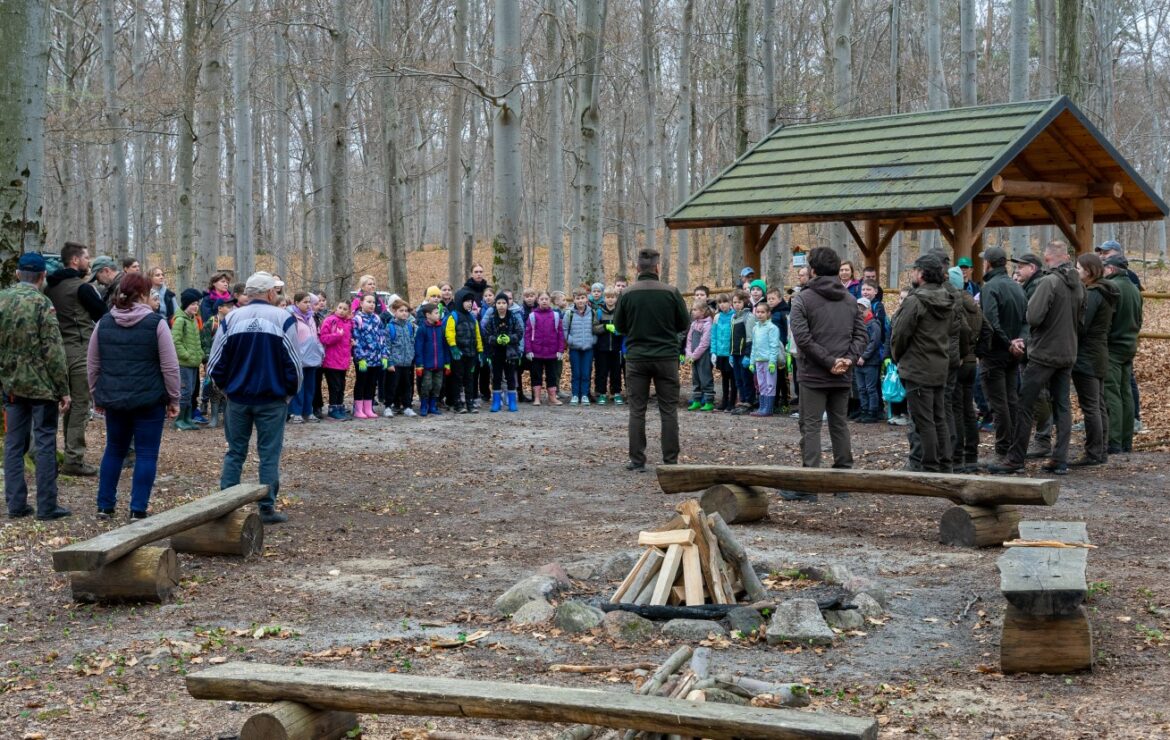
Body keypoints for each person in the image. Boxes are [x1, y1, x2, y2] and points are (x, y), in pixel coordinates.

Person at [207, 271, 301, 524]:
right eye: (275, 290)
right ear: (269, 293)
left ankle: (225, 506)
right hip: (272, 399)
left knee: (235, 452)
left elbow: (215, 362)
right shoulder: (283, 318)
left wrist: (227, 389)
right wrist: (288, 393)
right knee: (269, 454)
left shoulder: (231, 318)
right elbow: (294, 364)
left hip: (238, 398)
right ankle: (266, 508)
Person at [88, 272, 181, 520]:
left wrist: (97, 396)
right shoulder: (156, 324)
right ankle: (137, 509)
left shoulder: (104, 323)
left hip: (115, 400)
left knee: (114, 449)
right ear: (141, 295)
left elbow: (93, 365)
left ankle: (105, 506)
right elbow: (170, 367)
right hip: (149, 400)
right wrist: (174, 398)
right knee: (147, 453)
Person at [990, 242, 1084, 475]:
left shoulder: (1049, 282)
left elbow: (1033, 317)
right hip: (1068, 352)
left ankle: (1015, 458)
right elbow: (1081, 319)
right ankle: (1059, 459)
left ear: (1048, 258)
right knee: (1062, 405)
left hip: (1044, 354)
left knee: (1025, 404)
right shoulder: (1079, 285)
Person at [1, 253, 72, 520]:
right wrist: (63, 389)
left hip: (11, 386)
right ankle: (47, 506)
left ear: (18, 274)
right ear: (43, 276)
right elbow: (53, 350)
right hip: (42, 388)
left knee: (13, 444)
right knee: (44, 443)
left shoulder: (2, 300)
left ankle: (16, 504)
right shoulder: (43, 304)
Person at [789, 247, 866, 470]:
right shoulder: (850, 300)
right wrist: (847, 360)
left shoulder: (802, 300)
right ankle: (844, 472)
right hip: (841, 373)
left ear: (813, 270)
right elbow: (862, 335)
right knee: (839, 424)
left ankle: (811, 479)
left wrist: (836, 361)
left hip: (814, 375)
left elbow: (802, 339)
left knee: (811, 426)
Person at [613, 248, 690, 471]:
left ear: (638, 268)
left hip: (637, 358)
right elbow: (683, 323)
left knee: (637, 410)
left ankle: (637, 461)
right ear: (657, 267)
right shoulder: (671, 292)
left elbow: (619, 326)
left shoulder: (627, 294)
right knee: (669, 410)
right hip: (666, 357)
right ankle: (670, 462)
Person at [890, 255, 957, 472]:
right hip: (939, 366)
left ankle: (931, 468)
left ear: (921, 274)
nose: (912, 273)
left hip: (918, 368)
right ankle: (945, 464)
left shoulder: (915, 301)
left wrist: (897, 356)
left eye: (914, 270)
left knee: (924, 421)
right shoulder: (947, 298)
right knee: (939, 418)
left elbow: (900, 334)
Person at [45, 241, 106, 476]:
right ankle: (73, 459)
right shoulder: (82, 288)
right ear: (75, 260)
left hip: (55, 353)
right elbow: (103, 315)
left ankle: (58, 454)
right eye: (86, 258)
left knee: (65, 404)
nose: (89, 262)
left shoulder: (50, 287)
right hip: (80, 352)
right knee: (80, 404)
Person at [1071, 253, 1117, 466]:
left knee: (1091, 406)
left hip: (1087, 355)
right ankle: (1100, 450)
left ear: (1089, 271)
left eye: (1078, 268)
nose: (1076, 271)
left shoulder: (1094, 294)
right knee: (1098, 404)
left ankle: (1094, 452)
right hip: (1097, 352)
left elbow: (1082, 325)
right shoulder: (1105, 291)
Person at [1103, 253, 1142, 454]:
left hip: (1113, 347)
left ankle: (1114, 441)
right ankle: (1126, 441)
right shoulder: (1134, 289)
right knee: (1125, 391)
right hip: (1129, 345)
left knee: (1112, 393)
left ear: (1110, 269)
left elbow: (1106, 321)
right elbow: (1139, 319)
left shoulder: (1111, 288)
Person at [948, 266, 983, 471]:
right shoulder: (974, 304)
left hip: (960, 362)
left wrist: (960, 354)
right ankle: (972, 454)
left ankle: (957, 456)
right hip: (971, 362)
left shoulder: (954, 303)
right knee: (968, 408)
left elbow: (962, 329)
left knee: (957, 409)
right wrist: (977, 353)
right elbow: (987, 329)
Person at [288, 292, 325, 424]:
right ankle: (296, 413)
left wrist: (320, 351)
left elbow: (316, 336)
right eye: (305, 302)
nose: (308, 304)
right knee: (299, 387)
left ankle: (308, 411)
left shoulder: (312, 317)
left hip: (312, 357)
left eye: (309, 302)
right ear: (296, 303)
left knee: (310, 386)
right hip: (298, 357)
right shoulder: (292, 317)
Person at [171, 289, 205, 430]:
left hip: (193, 363)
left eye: (197, 304)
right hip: (184, 363)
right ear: (186, 305)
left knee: (190, 392)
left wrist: (200, 354)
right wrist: (186, 355)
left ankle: (187, 418)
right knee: (184, 392)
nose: (195, 307)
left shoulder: (193, 320)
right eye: (192, 304)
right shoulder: (180, 320)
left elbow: (197, 341)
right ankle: (179, 419)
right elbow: (175, 341)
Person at [445, 288, 484, 413]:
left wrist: (480, 351)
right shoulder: (454, 316)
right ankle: (457, 404)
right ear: (460, 301)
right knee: (457, 378)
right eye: (466, 301)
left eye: (471, 301)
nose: (469, 304)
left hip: (471, 354)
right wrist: (453, 347)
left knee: (470, 379)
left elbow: (477, 335)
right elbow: (449, 333)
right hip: (458, 354)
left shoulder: (472, 318)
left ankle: (470, 403)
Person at [484, 293, 523, 412]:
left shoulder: (513, 318)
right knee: (496, 377)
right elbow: (487, 335)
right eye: (499, 303)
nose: (501, 305)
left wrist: (509, 338)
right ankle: (496, 402)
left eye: (504, 303)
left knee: (510, 377)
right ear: (495, 304)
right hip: (496, 353)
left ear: (508, 304)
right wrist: (496, 339)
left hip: (510, 353)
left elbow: (519, 333)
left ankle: (512, 402)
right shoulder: (492, 319)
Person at [525, 291, 565, 406]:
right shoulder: (532, 316)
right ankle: (537, 398)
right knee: (536, 375)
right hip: (536, 352)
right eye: (541, 299)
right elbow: (527, 334)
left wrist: (560, 350)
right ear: (538, 301)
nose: (544, 301)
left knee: (551, 375)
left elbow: (560, 334)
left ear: (550, 301)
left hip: (552, 352)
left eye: (546, 299)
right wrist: (528, 350)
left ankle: (552, 397)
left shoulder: (555, 315)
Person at [350, 293, 387, 419]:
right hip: (363, 359)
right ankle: (358, 409)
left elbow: (382, 337)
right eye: (369, 302)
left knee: (372, 383)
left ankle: (368, 408)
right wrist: (360, 358)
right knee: (361, 382)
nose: (372, 305)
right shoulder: (357, 319)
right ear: (361, 303)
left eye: (373, 302)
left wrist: (384, 355)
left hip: (376, 358)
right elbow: (356, 339)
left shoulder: (377, 318)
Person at [413, 303, 450, 416]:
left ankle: (433, 406)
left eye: (438, 313)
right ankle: (424, 406)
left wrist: (447, 363)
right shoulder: (422, 329)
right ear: (428, 315)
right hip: (426, 365)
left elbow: (445, 346)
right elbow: (418, 347)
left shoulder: (441, 328)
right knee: (426, 385)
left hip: (440, 364)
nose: (438, 315)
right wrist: (419, 364)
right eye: (436, 313)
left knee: (437, 385)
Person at [319, 301, 354, 420]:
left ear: (348, 311)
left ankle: (340, 407)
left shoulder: (348, 323)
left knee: (341, 386)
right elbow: (323, 338)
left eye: (345, 309)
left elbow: (346, 340)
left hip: (343, 360)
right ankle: (333, 409)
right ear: (336, 308)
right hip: (331, 360)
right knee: (335, 386)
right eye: (340, 307)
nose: (342, 311)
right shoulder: (330, 320)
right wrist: (337, 336)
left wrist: (351, 341)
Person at [748, 299, 782, 417]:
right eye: (758, 312)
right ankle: (762, 407)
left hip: (768, 361)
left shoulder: (772, 328)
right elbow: (754, 346)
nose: (760, 314)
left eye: (763, 312)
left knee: (770, 384)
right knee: (761, 384)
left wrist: (772, 362)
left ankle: (768, 409)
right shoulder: (755, 328)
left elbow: (774, 346)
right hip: (758, 361)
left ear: (768, 313)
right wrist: (752, 362)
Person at [385, 299, 418, 417]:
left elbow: (412, 342)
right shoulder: (390, 327)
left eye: (406, 311)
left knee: (407, 386)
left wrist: (412, 357)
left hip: (407, 363)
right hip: (395, 363)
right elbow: (387, 346)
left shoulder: (410, 326)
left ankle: (407, 406)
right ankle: (388, 406)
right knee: (392, 385)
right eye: (401, 310)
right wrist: (389, 362)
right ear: (394, 311)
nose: (404, 313)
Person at [565, 289, 598, 405]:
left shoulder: (592, 312)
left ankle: (584, 395)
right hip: (574, 348)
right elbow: (565, 329)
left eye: (582, 298)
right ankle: (575, 395)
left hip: (588, 348)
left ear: (587, 299)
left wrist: (593, 340)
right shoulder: (569, 313)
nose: (580, 300)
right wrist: (570, 340)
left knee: (586, 373)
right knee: (576, 373)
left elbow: (596, 328)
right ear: (574, 300)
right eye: (578, 298)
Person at [593, 288, 624, 405]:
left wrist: (619, 330)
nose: (610, 299)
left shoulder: (619, 312)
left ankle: (616, 393)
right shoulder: (599, 312)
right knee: (602, 371)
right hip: (602, 348)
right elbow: (594, 328)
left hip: (616, 348)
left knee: (616, 371)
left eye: (612, 297)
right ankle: (601, 393)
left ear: (616, 298)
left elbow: (624, 326)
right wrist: (605, 327)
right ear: (604, 298)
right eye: (608, 297)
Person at [853, 297, 882, 424]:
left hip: (870, 362)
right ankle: (864, 410)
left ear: (868, 309)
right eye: (858, 308)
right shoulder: (856, 324)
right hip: (857, 361)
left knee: (870, 389)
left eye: (862, 308)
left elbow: (874, 343)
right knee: (861, 388)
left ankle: (872, 412)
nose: (860, 311)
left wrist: (864, 356)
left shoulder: (873, 324)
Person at [684, 299, 715, 412]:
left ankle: (709, 401)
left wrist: (694, 356)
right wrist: (688, 354)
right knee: (695, 378)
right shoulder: (693, 324)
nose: (692, 311)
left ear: (702, 311)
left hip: (703, 356)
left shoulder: (708, 324)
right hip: (693, 357)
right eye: (692, 309)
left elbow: (704, 343)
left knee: (705, 378)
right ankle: (696, 400)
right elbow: (689, 340)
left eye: (695, 309)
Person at [729, 290, 755, 414]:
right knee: (738, 379)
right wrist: (730, 353)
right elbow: (732, 337)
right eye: (734, 302)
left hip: (744, 353)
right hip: (735, 353)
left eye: (739, 302)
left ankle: (749, 401)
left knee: (746, 379)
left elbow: (750, 337)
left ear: (744, 302)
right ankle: (742, 400)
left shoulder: (748, 317)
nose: (737, 304)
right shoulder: (733, 317)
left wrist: (748, 355)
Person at [710, 293, 735, 412]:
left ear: (730, 303)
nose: (722, 305)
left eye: (725, 302)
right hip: (720, 353)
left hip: (731, 353)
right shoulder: (717, 317)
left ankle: (732, 402)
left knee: (733, 379)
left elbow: (735, 336)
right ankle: (724, 401)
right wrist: (713, 352)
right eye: (720, 302)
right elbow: (713, 335)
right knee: (724, 378)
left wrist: (732, 353)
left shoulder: (734, 316)